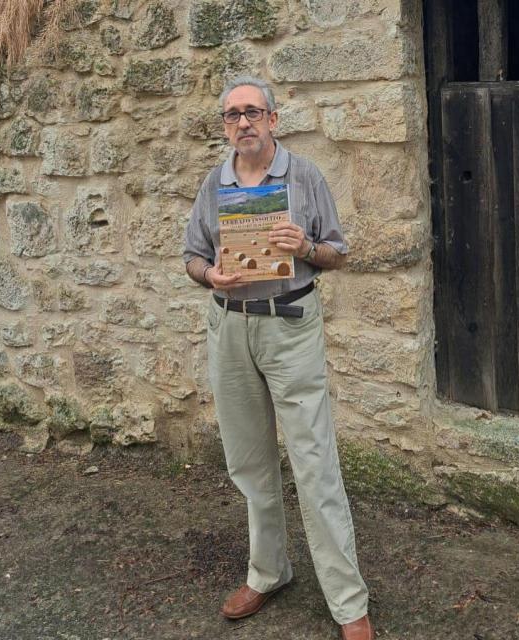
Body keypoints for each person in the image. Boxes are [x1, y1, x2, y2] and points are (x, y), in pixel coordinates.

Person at [182, 76, 373, 640]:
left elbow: (337, 251)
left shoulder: (304, 176)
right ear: (225, 126)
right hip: (230, 328)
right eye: (232, 114)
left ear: (273, 119)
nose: (243, 122)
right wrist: (209, 274)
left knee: (314, 462)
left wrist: (305, 248)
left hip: (290, 325)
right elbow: (192, 256)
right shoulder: (213, 185)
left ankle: (348, 603)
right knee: (248, 461)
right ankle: (269, 572)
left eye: (253, 112)